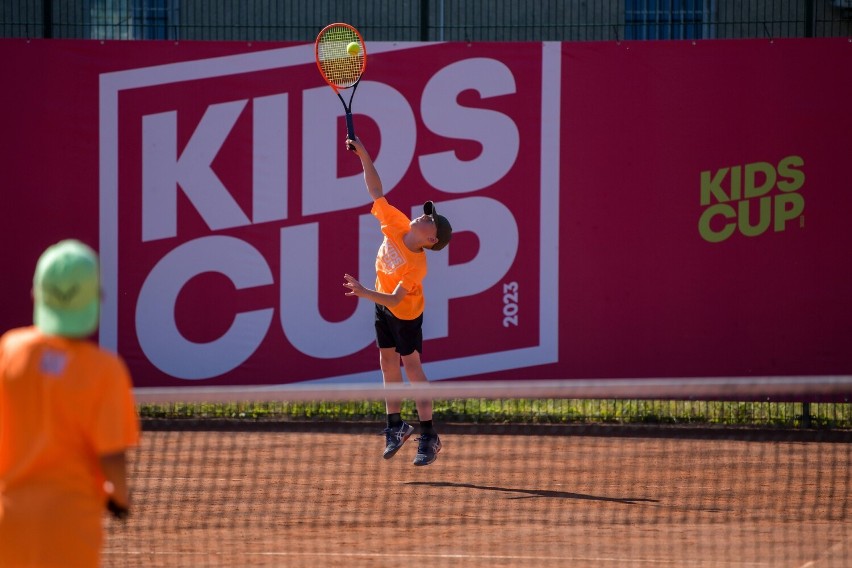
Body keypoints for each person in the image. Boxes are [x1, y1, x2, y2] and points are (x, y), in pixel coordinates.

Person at [0, 239, 140, 567]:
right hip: (71, 527)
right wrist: (120, 499)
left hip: (9, 522)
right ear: (96, 298)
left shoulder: (9, 350)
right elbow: (112, 456)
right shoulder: (106, 371)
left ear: (37, 294)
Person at [342, 137, 452, 467]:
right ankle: (395, 426)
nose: (424, 216)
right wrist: (364, 154)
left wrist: (364, 293)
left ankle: (429, 435)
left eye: (430, 220)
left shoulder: (418, 264)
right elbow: (376, 191)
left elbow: (394, 298)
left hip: (403, 313)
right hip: (381, 304)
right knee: (387, 364)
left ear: (431, 241)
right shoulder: (397, 222)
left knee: (412, 368)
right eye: (427, 214)